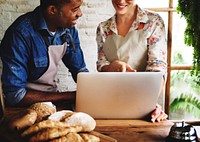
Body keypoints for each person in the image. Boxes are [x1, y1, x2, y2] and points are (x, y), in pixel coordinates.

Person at [0, 0, 88, 108]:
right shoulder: (20, 34)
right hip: (23, 108)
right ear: (52, 10)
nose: (80, 13)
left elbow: (80, 71)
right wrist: (70, 96)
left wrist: (93, 90)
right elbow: (15, 96)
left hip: (51, 102)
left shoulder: (69, 29)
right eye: (74, 9)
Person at [96, 0, 168, 122]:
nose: (120, 1)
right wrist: (112, 66)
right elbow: (101, 64)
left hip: (144, 105)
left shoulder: (153, 22)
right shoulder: (103, 28)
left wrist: (146, 103)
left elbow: (157, 69)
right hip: (111, 102)